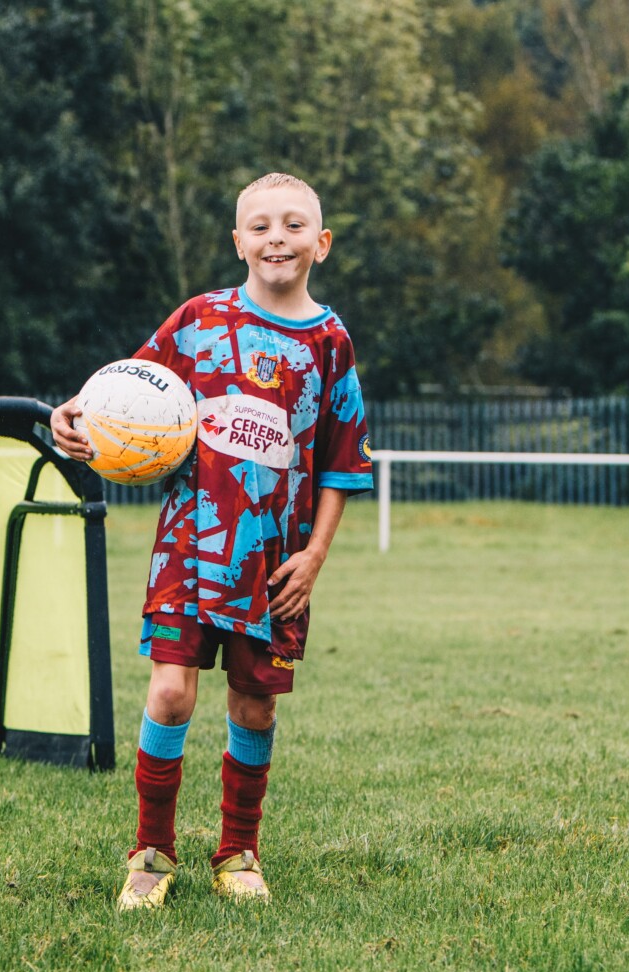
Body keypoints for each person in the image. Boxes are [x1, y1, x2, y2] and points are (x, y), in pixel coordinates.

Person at [51, 173, 373, 909]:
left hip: (276, 563)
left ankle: (238, 852)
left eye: (294, 226)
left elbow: (343, 462)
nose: (276, 239)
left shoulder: (330, 343)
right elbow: (122, 391)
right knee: (169, 692)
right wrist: (73, 414)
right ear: (237, 241)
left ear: (321, 244)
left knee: (255, 707)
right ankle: (151, 852)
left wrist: (315, 556)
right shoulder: (199, 320)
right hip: (190, 546)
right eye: (260, 226)